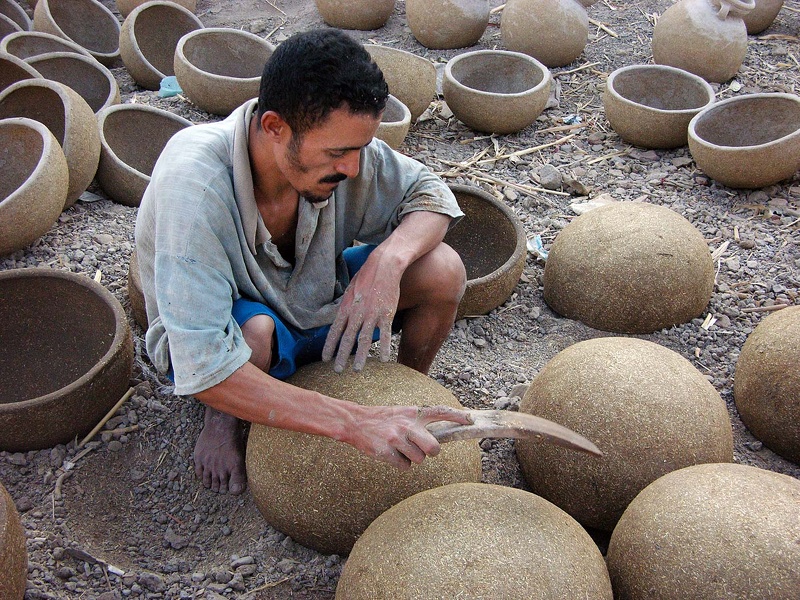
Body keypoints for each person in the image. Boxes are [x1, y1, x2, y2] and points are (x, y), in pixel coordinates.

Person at [134, 28, 471, 495]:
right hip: (240, 328)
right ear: (275, 127)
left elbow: (432, 195)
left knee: (443, 269)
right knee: (255, 335)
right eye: (338, 153)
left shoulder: (337, 150)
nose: (353, 168)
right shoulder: (195, 187)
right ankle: (223, 419)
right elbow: (204, 363)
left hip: (317, 298)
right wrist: (353, 422)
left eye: (359, 149)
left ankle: (404, 391)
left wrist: (388, 262)